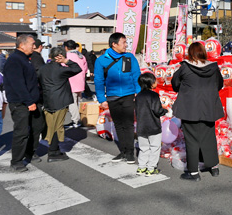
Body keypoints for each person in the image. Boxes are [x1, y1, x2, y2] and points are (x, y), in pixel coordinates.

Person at [172, 42, 224, 182]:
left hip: (190, 109)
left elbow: (175, 84)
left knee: (192, 140)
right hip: (209, 107)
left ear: (190, 53)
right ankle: (213, 167)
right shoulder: (213, 67)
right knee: (209, 137)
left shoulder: (185, 68)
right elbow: (219, 84)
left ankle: (194, 173)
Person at [93, 32, 141, 164]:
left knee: (128, 124)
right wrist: (102, 99)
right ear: (114, 44)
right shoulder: (101, 60)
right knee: (118, 125)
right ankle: (123, 152)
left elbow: (137, 75)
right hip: (112, 97)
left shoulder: (130, 57)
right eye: (124, 42)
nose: (126, 45)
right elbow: (98, 80)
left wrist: (138, 92)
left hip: (128, 95)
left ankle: (130, 153)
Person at [3, 34, 43, 172]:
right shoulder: (14, 60)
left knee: (36, 127)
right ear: (22, 45)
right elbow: (17, 84)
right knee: (22, 131)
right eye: (32, 43)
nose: (34, 46)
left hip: (32, 101)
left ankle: (30, 151)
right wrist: (28, 101)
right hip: (20, 102)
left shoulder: (26, 59)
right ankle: (16, 161)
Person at [38, 47, 82, 162]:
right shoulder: (61, 70)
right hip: (60, 101)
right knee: (58, 127)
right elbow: (77, 68)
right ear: (60, 57)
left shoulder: (42, 69)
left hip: (48, 100)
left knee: (51, 126)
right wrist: (65, 61)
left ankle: (54, 149)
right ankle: (53, 152)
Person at [134, 72, 167, 176]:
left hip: (141, 127)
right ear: (151, 83)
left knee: (143, 148)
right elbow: (157, 110)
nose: (156, 82)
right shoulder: (154, 95)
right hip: (153, 126)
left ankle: (141, 167)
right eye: (155, 80)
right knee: (155, 147)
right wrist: (165, 111)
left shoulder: (138, 96)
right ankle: (151, 168)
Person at [64, 40, 89, 128]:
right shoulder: (81, 55)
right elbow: (85, 69)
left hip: (71, 81)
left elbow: (63, 68)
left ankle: (75, 121)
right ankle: (80, 118)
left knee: (72, 102)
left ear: (66, 47)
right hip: (81, 81)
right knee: (79, 101)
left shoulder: (67, 56)